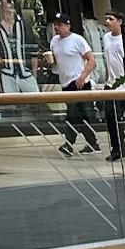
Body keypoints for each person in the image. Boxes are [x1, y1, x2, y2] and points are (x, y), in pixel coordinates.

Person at [48, 13, 99, 158]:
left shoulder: (78, 40)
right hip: (65, 82)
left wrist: (82, 77)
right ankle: (92, 143)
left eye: (60, 24)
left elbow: (91, 60)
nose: (57, 27)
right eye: (55, 25)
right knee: (80, 116)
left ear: (68, 25)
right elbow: (57, 61)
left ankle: (68, 144)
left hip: (78, 82)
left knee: (72, 113)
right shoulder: (54, 42)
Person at [99, 9, 125, 162]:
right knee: (111, 118)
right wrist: (106, 81)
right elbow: (107, 60)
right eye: (106, 19)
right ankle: (118, 148)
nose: (107, 22)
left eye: (111, 19)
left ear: (119, 21)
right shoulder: (106, 38)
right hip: (111, 85)